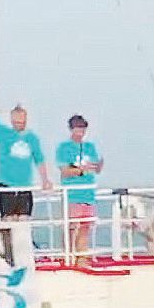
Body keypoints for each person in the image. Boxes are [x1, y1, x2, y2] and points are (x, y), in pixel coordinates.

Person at [0, 104, 52, 220]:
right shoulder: (4, 133)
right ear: (12, 120)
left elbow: (39, 159)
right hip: (6, 185)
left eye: (22, 122)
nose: (20, 125)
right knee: (8, 221)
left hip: (25, 186)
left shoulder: (32, 138)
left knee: (23, 221)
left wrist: (45, 180)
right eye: (17, 122)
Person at [56, 114, 103, 265]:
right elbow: (64, 170)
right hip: (72, 195)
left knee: (85, 227)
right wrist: (80, 170)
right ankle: (69, 256)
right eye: (77, 128)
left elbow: (96, 167)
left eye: (82, 129)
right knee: (71, 227)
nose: (80, 132)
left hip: (88, 194)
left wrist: (97, 166)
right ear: (71, 129)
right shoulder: (64, 148)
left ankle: (82, 256)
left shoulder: (90, 147)